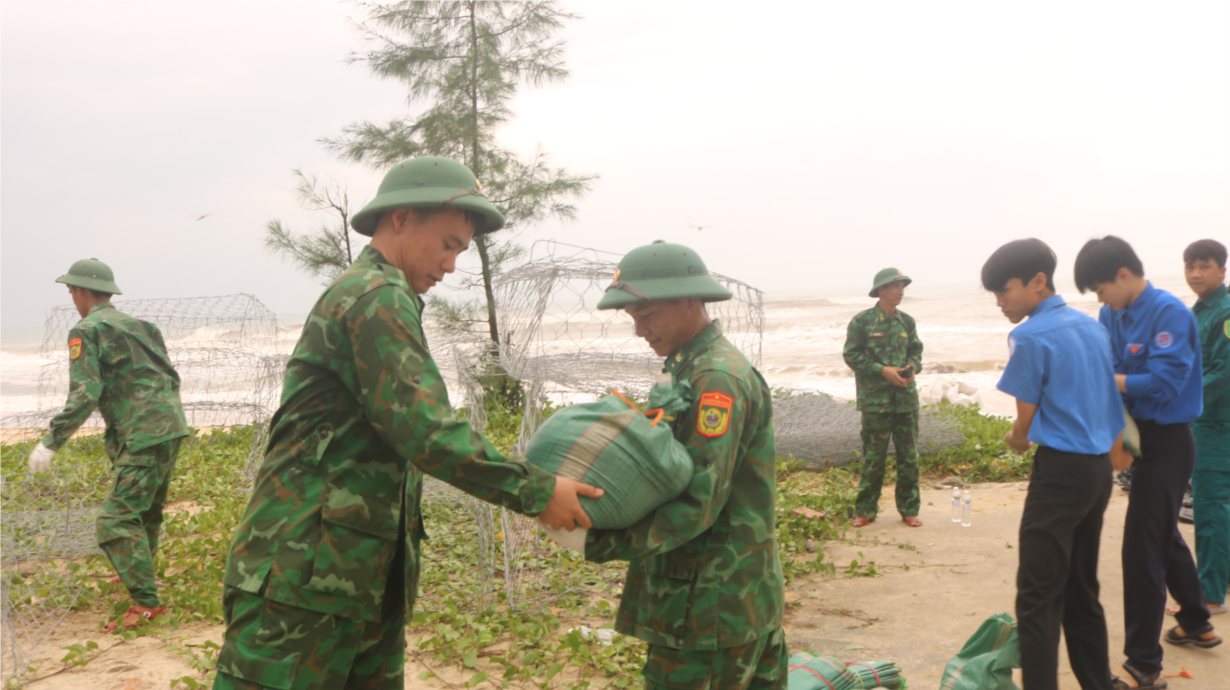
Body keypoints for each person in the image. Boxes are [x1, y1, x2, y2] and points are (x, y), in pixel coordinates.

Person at [212, 156, 601, 690]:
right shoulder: (377, 296)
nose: (451, 265)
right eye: (447, 244)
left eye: (459, 251)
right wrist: (536, 491)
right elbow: (427, 432)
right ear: (400, 219)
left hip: (351, 574)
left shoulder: (382, 294)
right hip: (303, 578)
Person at [584, 240, 787, 690]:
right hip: (732, 598)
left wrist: (597, 538)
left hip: (708, 607)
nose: (641, 330)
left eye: (648, 315)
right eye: (635, 319)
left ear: (692, 299)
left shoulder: (714, 379)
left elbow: (697, 501)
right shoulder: (690, 369)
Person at [1073, 235, 1221, 690]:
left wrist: (1103, 379)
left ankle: (1143, 666)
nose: (1100, 301)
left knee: (1141, 551)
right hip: (1137, 435)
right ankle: (1197, 621)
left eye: (1100, 289)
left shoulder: (1169, 313)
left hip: (1171, 442)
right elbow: (1115, 368)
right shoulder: (1111, 313)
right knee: (1159, 532)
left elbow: (1163, 383)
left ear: (1123, 275)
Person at [984, 239, 1125, 690]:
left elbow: (1024, 421)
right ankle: (1097, 683)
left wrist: (1016, 438)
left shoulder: (1029, 335)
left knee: (1038, 597)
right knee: (1082, 590)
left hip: (1061, 474)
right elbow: (1107, 397)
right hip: (1096, 473)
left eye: (1004, 291)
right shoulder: (1093, 328)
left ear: (1038, 282)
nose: (1001, 302)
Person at [27, 259, 188, 631]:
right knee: (146, 509)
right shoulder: (144, 326)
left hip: (141, 432)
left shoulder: (86, 330)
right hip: (171, 424)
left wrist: (52, 441)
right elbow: (169, 375)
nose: (72, 297)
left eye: (71, 291)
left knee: (115, 519)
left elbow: (86, 393)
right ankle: (136, 571)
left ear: (81, 290)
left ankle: (147, 604)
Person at [842, 268, 924, 528]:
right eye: (895, 286)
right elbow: (851, 356)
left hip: (906, 401)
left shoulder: (907, 322)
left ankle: (910, 510)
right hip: (875, 402)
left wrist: (911, 369)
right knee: (874, 457)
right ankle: (866, 510)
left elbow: (916, 352)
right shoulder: (862, 322)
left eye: (903, 286)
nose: (901, 291)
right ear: (881, 290)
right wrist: (883, 371)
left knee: (908, 456)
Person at [1183, 239, 1230, 616]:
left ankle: (1210, 597)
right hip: (1204, 420)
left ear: (1222, 270)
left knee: (1211, 506)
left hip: (1216, 425)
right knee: (1217, 506)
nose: (1195, 274)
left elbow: (1223, 372)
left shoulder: (1226, 312)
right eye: (1189, 267)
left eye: (1204, 266)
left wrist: (1184, 405)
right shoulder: (1197, 311)